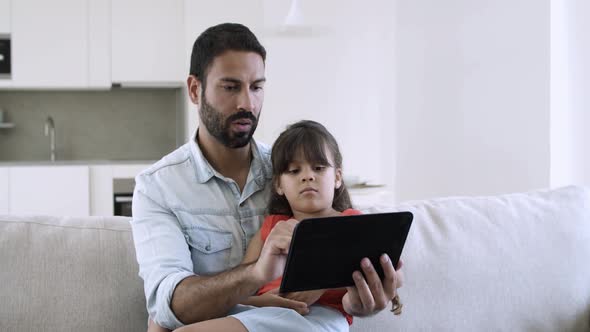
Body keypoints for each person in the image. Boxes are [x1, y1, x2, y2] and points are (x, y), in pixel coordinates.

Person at [131, 23, 403, 332]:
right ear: (195, 90)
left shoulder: (290, 167)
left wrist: (365, 299)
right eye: (231, 87)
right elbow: (168, 307)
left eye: (257, 87)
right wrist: (256, 275)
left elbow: (350, 274)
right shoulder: (158, 187)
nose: (247, 103)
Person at [174, 120, 402, 332]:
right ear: (279, 185)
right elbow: (242, 287)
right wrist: (261, 301)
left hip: (318, 317)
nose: (308, 177)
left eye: (319, 168)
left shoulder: (352, 223)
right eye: (294, 171)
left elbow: (387, 276)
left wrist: (319, 285)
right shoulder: (273, 228)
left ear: (337, 178)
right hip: (260, 312)